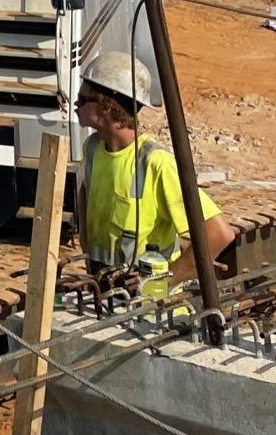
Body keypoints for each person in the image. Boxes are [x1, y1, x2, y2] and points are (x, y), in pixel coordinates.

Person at [75, 49, 235, 296]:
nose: (76, 104)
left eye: (83, 99)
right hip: (105, 293)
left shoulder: (156, 163)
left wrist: (161, 285)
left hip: (148, 304)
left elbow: (218, 234)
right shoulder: (93, 148)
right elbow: (87, 200)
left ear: (107, 106)